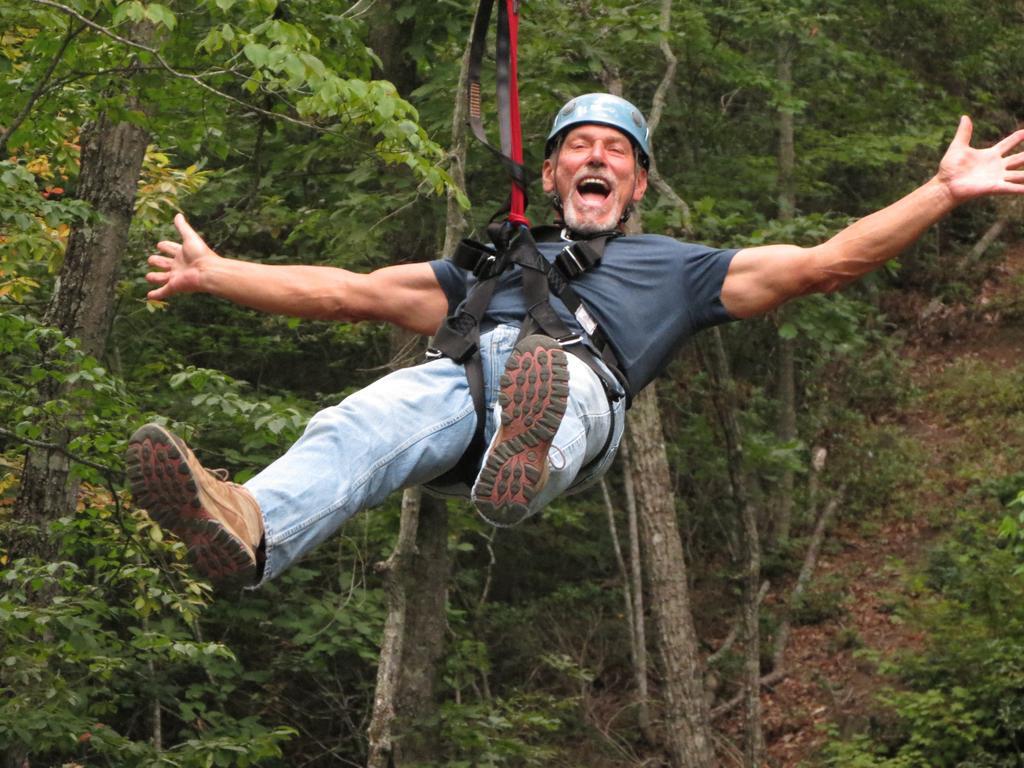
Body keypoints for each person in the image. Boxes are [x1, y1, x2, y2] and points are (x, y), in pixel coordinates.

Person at [126, 93, 1024, 590]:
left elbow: (826, 263)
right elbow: (348, 294)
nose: (597, 159)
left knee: (547, 373)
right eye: (580, 148)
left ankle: (524, 458)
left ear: (635, 182)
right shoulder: (488, 269)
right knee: (360, 418)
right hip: (463, 392)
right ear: (553, 173)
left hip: (581, 399)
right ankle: (252, 529)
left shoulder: (680, 269)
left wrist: (941, 194)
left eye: (616, 152)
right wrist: (217, 272)